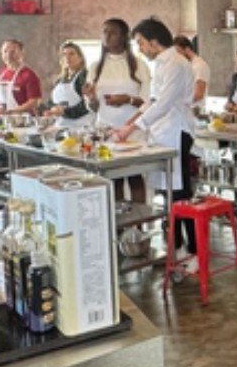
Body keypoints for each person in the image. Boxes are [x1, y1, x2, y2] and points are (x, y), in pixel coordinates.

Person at [111, 19, 199, 267]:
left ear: (154, 41)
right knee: (168, 194)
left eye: (140, 43)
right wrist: (129, 123)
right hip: (162, 133)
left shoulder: (176, 64)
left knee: (180, 195)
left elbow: (165, 103)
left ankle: (193, 251)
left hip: (177, 132)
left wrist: (133, 127)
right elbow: (152, 101)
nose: (140, 49)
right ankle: (176, 248)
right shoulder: (162, 64)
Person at [83, 18, 149, 136]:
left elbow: (148, 104)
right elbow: (94, 108)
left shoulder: (139, 65)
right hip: (104, 130)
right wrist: (91, 98)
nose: (107, 36)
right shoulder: (95, 67)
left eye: (113, 33)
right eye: (104, 32)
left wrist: (128, 100)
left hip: (133, 130)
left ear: (124, 37)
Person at [0, 39, 43, 115]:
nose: (8, 55)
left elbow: (34, 102)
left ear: (21, 54)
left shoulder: (29, 75)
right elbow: (0, 98)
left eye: (12, 52)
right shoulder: (3, 74)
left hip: (24, 121)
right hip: (5, 119)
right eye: (5, 51)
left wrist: (11, 112)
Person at [45, 42, 93, 127]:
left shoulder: (84, 76)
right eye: (64, 54)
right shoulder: (59, 80)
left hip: (81, 126)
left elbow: (87, 104)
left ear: (80, 58)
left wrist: (64, 111)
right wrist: (51, 109)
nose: (67, 57)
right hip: (61, 126)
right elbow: (50, 102)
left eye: (72, 54)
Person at [175, 35, 210, 104]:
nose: (177, 57)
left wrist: (180, 102)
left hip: (194, 110)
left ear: (187, 49)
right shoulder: (187, 65)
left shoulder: (199, 65)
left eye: (179, 52)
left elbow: (199, 94)